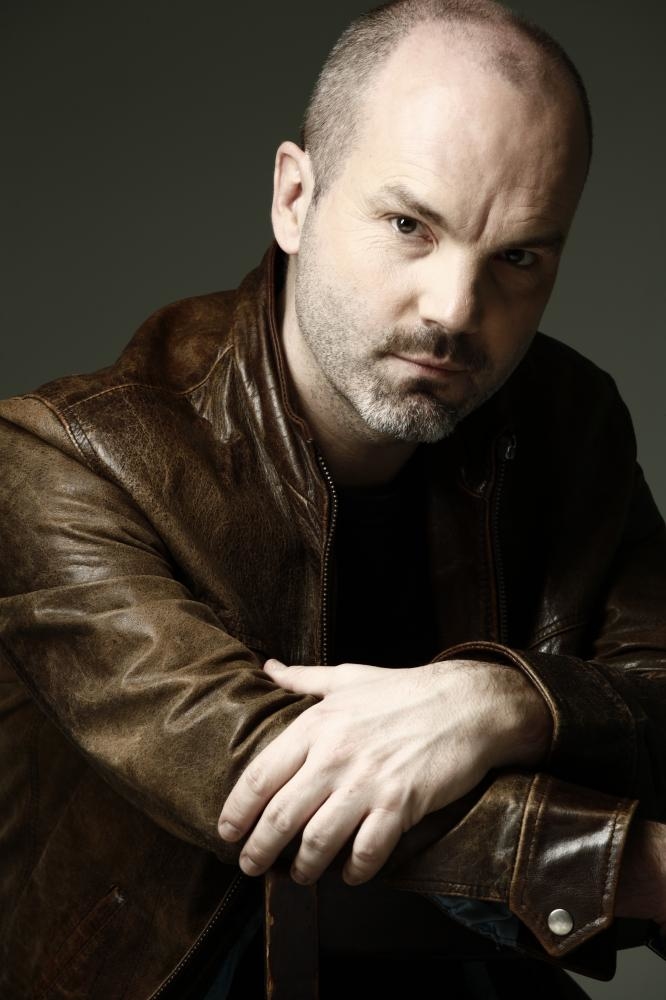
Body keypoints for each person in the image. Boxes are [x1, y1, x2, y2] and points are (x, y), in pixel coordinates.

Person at [0, 1, 664, 998]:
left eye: (519, 257)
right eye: (409, 226)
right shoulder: (65, 458)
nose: (455, 309)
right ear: (295, 198)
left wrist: (498, 701)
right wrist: (637, 866)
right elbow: (264, 778)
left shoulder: (569, 422)